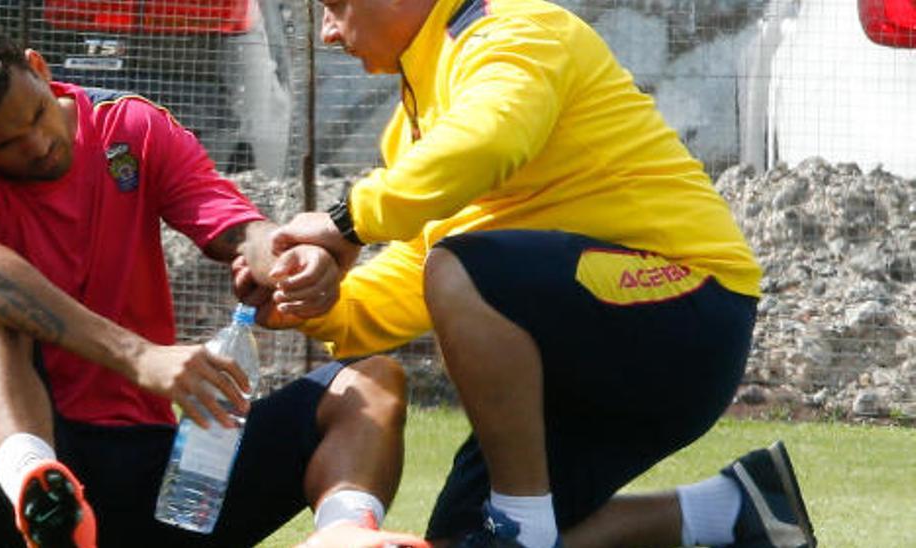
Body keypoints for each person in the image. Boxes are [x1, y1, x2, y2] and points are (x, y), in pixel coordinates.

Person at [256, 0, 818, 546]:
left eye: (335, 4)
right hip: (590, 348)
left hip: (691, 305)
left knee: (461, 272)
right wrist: (316, 302)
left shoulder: (512, 27)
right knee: (460, 538)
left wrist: (347, 221)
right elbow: (419, 270)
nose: (328, 31)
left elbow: (490, 139)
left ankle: (522, 531)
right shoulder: (415, 121)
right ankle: (732, 508)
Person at [0, 16, 424, 548]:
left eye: (36, 115)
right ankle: (41, 492)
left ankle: (345, 533)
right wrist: (141, 358)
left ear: (38, 68)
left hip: (144, 469)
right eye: (7, 144)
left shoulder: (129, 127)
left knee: (370, 380)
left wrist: (290, 260)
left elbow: (240, 229)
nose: (36, 145)